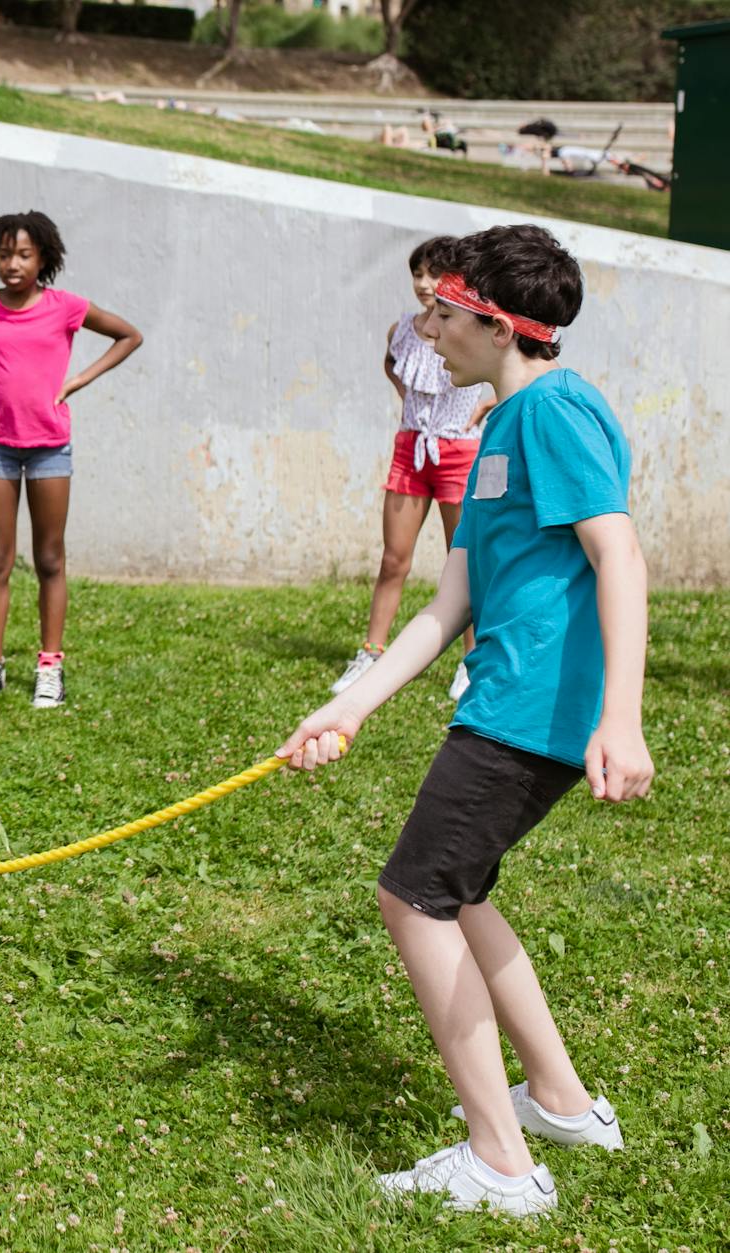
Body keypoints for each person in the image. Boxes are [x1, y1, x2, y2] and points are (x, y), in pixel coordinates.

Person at [279, 224, 652, 1217]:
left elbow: (616, 555)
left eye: (441, 313)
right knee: (460, 890)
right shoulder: (493, 431)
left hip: (531, 714)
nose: (426, 328)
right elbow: (451, 600)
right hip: (502, 699)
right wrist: (347, 705)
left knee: (413, 897)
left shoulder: (555, 411)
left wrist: (621, 717)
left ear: (494, 324)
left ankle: (499, 1160)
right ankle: (561, 1104)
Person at [0, 211, 142, 708]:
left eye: (23, 254)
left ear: (44, 257)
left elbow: (128, 334)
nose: (12, 264)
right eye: (3, 255)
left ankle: (49, 667)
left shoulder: (65, 307)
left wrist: (78, 380)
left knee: (49, 559)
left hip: (49, 448)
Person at [333, 237, 493, 700]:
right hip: (411, 449)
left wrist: (484, 405)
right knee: (393, 558)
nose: (425, 284)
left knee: (463, 562)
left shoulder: (468, 329)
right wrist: (410, 405)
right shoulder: (401, 329)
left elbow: (506, 369)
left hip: (459, 454)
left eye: (435, 274)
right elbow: (393, 365)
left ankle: (471, 662)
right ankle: (371, 652)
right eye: (418, 274)